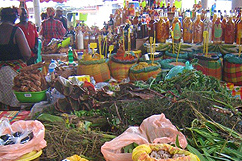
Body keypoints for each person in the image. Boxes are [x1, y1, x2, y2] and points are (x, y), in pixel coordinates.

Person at [0, 7, 31, 108]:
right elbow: (26, 54)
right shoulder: (16, 31)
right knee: (16, 104)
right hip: (14, 72)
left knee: (3, 104)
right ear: (14, 18)